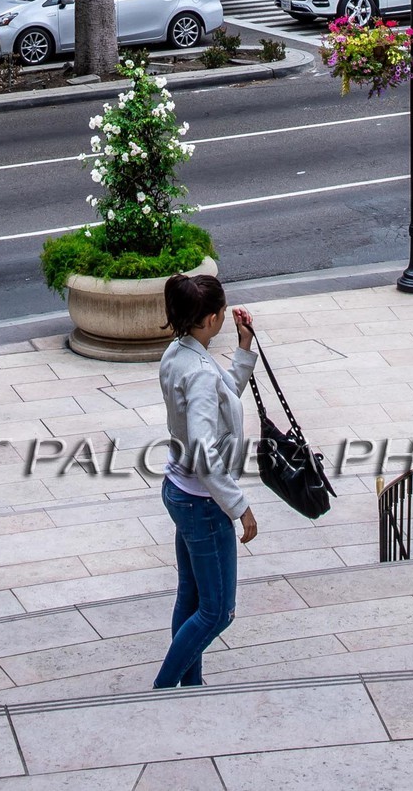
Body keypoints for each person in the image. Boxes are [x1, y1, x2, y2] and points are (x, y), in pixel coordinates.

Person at [153, 272, 258, 690]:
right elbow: (202, 444)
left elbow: (221, 394)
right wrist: (239, 506)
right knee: (217, 612)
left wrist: (244, 349)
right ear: (212, 318)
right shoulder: (197, 369)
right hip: (203, 502)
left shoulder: (179, 353)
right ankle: (165, 687)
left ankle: (190, 686)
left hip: (180, 490)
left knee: (191, 596)